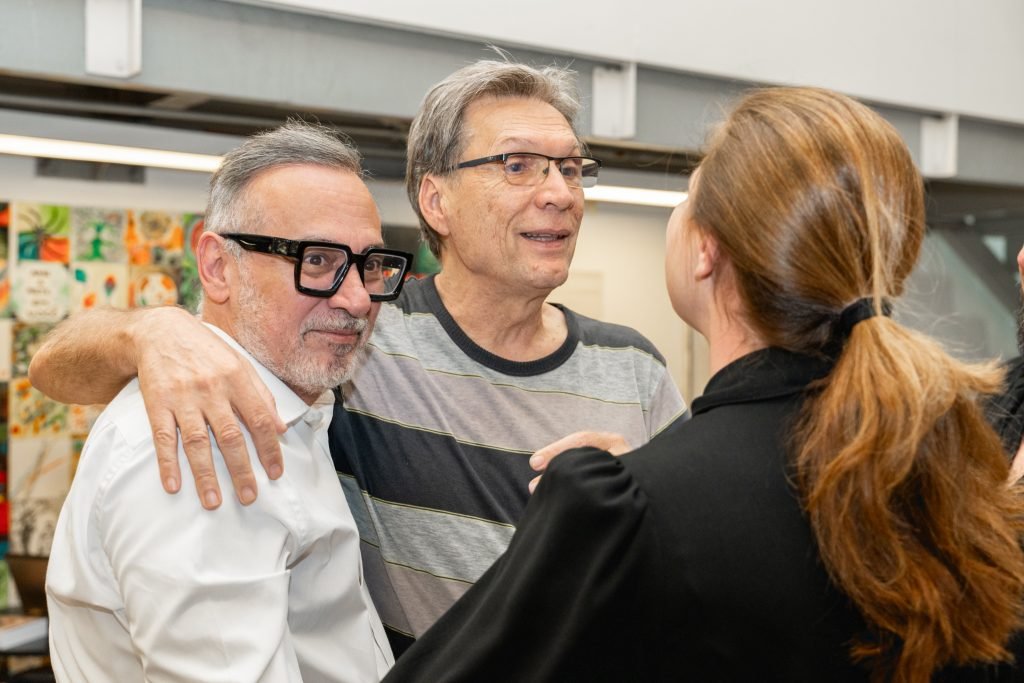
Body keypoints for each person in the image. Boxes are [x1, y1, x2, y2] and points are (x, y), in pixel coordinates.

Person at [29, 59, 688, 654]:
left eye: (571, 168)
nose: (560, 192)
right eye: (519, 165)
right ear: (437, 200)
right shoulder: (354, 339)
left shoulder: (636, 369)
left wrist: (645, 510)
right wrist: (150, 331)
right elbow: (55, 365)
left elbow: (695, 576)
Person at [381, 87, 1024, 683]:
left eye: (687, 200)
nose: (561, 192)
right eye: (519, 165)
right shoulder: (958, 485)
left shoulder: (622, 502)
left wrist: (621, 499)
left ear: (706, 250)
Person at [45, 121, 407, 681]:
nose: (358, 298)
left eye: (370, 264)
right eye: (317, 261)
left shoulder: (293, 400)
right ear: (218, 267)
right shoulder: (202, 434)